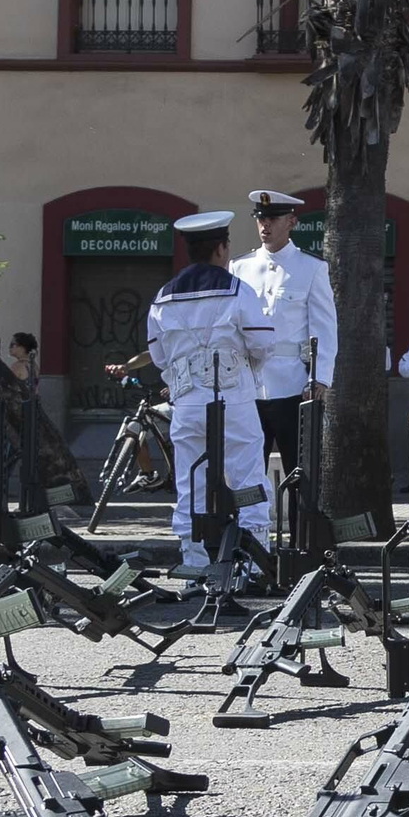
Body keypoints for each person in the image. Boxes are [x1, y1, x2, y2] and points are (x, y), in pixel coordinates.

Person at [145, 211, 274, 568]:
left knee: (190, 480)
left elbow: (158, 356)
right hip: (234, 397)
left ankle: (194, 563)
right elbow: (262, 344)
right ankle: (254, 561)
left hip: (187, 400)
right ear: (222, 248)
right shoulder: (238, 290)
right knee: (247, 476)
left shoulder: (163, 298)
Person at [228, 190, 338, 477]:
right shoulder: (240, 268)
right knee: (247, 471)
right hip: (249, 384)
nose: (265, 225)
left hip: (292, 384)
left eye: (273, 219)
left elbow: (324, 329)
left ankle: (302, 524)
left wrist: (320, 377)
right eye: (261, 218)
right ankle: (249, 523)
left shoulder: (311, 268)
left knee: (299, 471)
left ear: (291, 221)